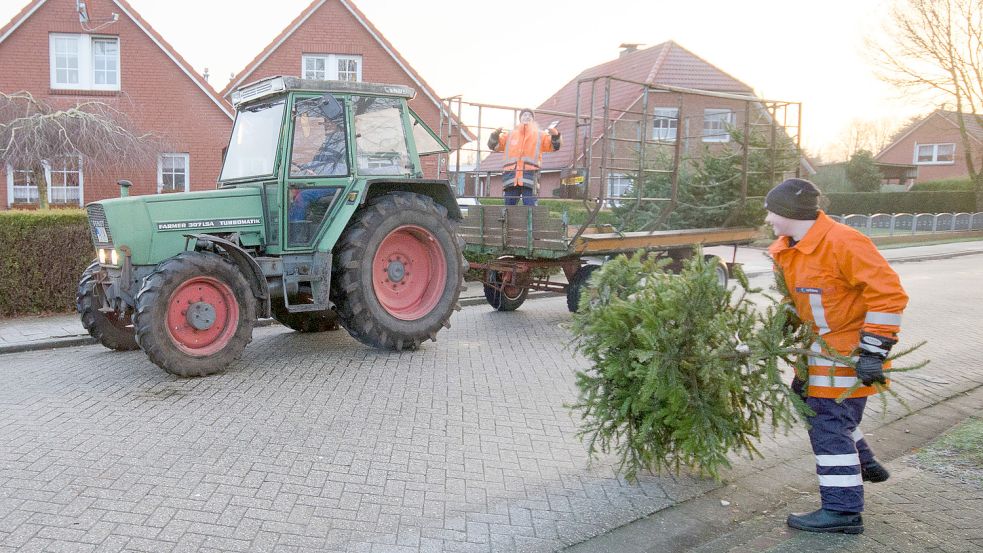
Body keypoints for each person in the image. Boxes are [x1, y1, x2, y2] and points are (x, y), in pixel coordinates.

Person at [765, 178, 908, 535]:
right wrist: (784, 322)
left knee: (828, 424)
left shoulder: (844, 242)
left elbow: (888, 294)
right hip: (819, 350)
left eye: (771, 211)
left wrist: (874, 351)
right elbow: (802, 297)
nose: (767, 218)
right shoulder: (790, 248)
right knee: (807, 401)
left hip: (849, 352)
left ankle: (843, 511)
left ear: (788, 212)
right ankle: (865, 462)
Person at [488, 108, 561, 206]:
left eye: (530, 115)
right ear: (520, 118)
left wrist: (555, 135)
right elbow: (493, 146)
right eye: (524, 115)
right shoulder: (509, 135)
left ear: (533, 119)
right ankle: (508, 221)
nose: (527, 117)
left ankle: (530, 222)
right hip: (511, 177)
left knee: (530, 207)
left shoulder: (540, 135)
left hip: (530, 177)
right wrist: (494, 135)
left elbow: (554, 146)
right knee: (508, 208)